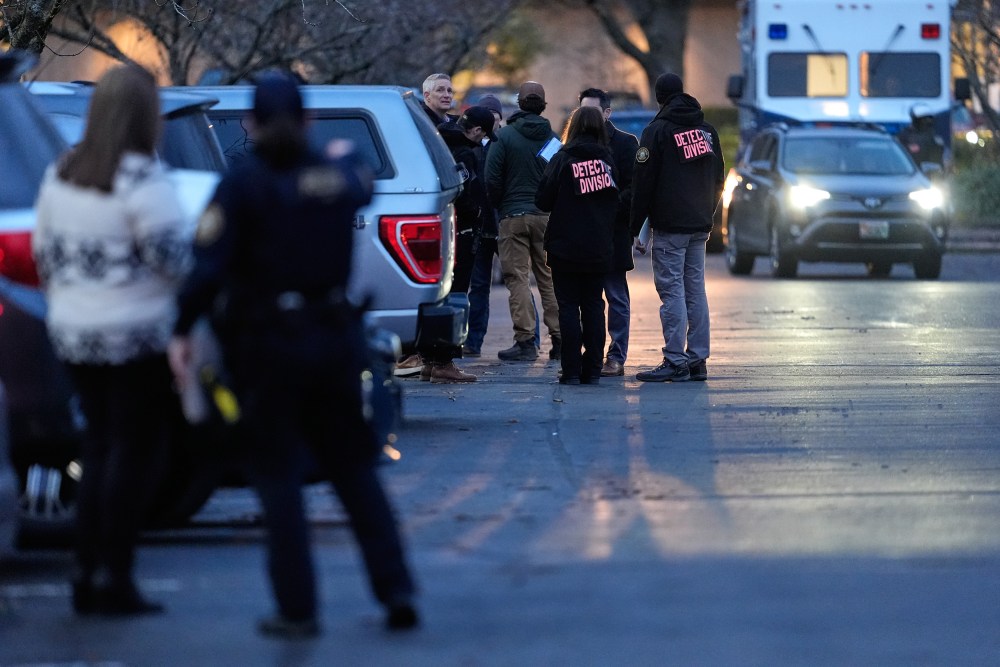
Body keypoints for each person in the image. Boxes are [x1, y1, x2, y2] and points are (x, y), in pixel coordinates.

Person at [167, 72, 418, 638]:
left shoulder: (242, 186)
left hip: (267, 345)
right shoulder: (335, 174)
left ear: (251, 125)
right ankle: (395, 587)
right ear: (307, 121)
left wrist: (181, 331)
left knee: (277, 478)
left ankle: (297, 608)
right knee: (354, 471)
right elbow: (360, 173)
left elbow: (207, 270)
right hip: (332, 336)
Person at [32, 64, 186, 615]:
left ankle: (85, 569)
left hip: (74, 332)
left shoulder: (63, 171)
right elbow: (173, 261)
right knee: (134, 452)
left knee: (97, 446)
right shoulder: (144, 179)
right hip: (135, 334)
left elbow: (43, 252)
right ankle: (114, 574)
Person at [630, 73, 724, 383]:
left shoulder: (656, 131)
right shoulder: (707, 131)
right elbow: (719, 177)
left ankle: (674, 359)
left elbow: (643, 183)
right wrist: (706, 212)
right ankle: (698, 359)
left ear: (659, 98)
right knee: (695, 290)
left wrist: (635, 227)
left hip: (671, 226)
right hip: (699, 224)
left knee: (671, 292)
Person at [535, 106, 619, 384]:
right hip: (598, 245)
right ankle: (593, 368)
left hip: (564, 246)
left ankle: (570, 370)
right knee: (595, 305)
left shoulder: (562, 159)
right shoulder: (608, 161)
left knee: (568, 307)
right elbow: (617, 202)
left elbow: (542, 200)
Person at [416, 106, 496, 382]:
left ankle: (429, 359)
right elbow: (465, 191)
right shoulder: (463, 152)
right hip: (461, 229)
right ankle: (444, 361)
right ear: (476, 131)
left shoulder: (438, 140)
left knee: (437, 295)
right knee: (457, 295)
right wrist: (476, 213)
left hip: (440, 227)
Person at [485, 80, 561, 362]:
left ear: (518, 104)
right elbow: (559, 177)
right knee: (549, 278)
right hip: (545, 218)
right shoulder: (553, 139)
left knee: (517, 278)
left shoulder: (504, 137)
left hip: (513, 216)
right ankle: (560, 339)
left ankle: (526, 341)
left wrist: (501, 205)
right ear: (543, 106)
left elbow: (491, 178)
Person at [578, 88, 639, 377]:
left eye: (591, 111)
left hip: (613, 231)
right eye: (582, 112)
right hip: (585, 233)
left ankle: (616, 356)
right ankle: (589, 353)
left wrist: (610, 210)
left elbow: (632, 188)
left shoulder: (626, 144)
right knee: (586, 298)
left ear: (607, 113)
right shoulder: (573, 145)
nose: (587, 118)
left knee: (615, 296)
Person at [897, 103, 948, 173]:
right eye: (923, 120)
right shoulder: (905, 135)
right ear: (915, 120)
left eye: (929, 119)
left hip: (934, 172)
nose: (926, 122)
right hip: (913, 171)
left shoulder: (934, 134)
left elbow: (942, 152)